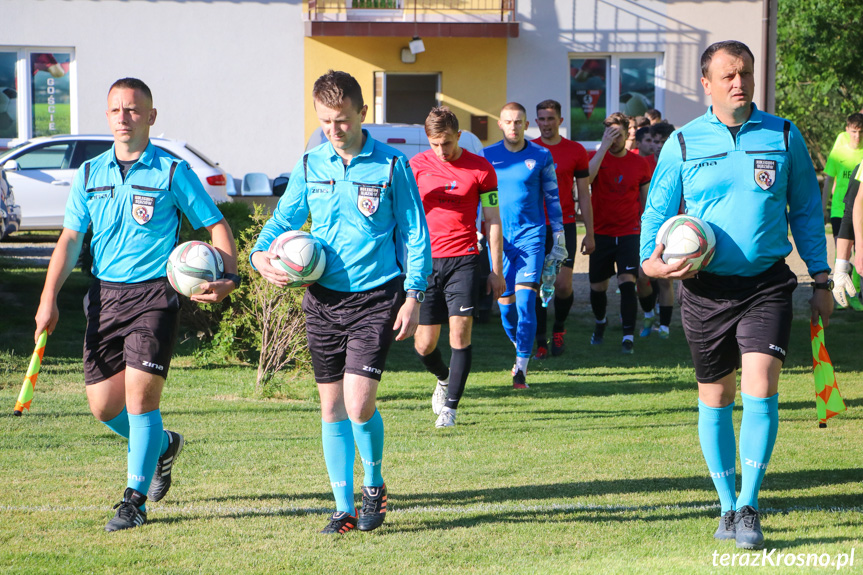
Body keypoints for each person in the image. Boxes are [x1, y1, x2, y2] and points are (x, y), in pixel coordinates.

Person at [641, 41, 832, 550]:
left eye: (744, 73)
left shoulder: (783, 134)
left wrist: (821, 277)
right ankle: (725, 505)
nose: (738, 83)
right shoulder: (682, 142)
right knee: (716, 396)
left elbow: (807, 211)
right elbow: (656, 210)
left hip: (766, 283)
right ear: (706, 83)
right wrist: (650, 260)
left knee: (761, 387)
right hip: (703, 289)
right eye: (727, 75)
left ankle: (748, 504)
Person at [33, 78, 239, 532]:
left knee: (141, 399)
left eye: (133, 110)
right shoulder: (89, 174)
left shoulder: (171, 172)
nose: (124, 117)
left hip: (153, 296)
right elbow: (70, 239)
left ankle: (134, 501)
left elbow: (217, 225)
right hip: (104, 297)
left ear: (151, 116)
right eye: (116, 110)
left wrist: (229, 275)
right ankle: (163, 446)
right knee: (105, 408)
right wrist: (47, 300)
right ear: (107, 117)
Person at [251, 70, 431, 535]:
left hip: (377, 296)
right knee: (330, 408)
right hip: (322, 299)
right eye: (326, 121)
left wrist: (413, 296)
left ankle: (373, 483)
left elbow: (415, 233)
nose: (334, 130)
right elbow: (280, 225)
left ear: (362, 114)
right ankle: (343, 507)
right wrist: (259, 257)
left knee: (357, 404)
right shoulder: (311, 165)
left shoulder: (392, 165)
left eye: (343, 120)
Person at [411, 106, 505, 428]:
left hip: (464, 258)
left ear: (459, 136)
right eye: (435, 144)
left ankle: (450, 410)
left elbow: (492, 219)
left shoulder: (481, 169)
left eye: (447, 143)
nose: (442, 150)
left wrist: (496, 270)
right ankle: (442, 377)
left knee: (460, 333)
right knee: (424, 344)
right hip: (426, 262)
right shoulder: (416, 167)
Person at [484, 102, 565, 388]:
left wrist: (558, 235)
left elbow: (553, 198)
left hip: (531, 236)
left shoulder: (542, 155)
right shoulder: (487, 156)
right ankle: (520, 346)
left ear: (526, 124)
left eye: (519, 122)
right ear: (500, 124)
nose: (514, 127)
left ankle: (521, 368)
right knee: (506, 310)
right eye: (509, 122)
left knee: (527, 304)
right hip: (499, 240)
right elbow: (478, 200)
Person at [531, 99, 595, 358]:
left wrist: (589, 232)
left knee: (562, 285)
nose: (546, 124)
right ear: (536, 122)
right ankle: (541, 340)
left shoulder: (575, 150)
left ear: (560, 120)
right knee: (536, 285)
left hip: (564, 225)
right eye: (541, 119)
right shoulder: (530, 149)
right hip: (535, 226)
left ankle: (559, 328)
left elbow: (584, 193)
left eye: (550, 119)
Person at [587, 112, 652, 353]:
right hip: (601, 232)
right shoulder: (595, 158)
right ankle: (600, 322)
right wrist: (603, 147)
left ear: (628, 135)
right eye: (610, 135)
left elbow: (645, 201)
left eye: (618, 135)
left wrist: (647, 232)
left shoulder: (639, 163)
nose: (615, 140)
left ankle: (628, 337)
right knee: (597, 287)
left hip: (629, 232)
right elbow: (587, 180)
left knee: (627, 283)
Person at [638, 122, 678, 339]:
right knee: (642, 276)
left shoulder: (678, 163)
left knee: (665, 279)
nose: (658, 145)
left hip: (673, 228)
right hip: (645, 227)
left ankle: (664, 327)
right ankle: (648, 314)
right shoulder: (641, 163)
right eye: (654, 141)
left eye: (663, 141)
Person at [822, 113, 863, 240]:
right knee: (840, 256)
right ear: (847, 130)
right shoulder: (837, 154)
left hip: (860, 211)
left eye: (861, 132)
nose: (857, 136)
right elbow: (829, 181)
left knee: (859, 255)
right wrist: (823, 208)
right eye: (854, 131)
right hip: (839, 210)